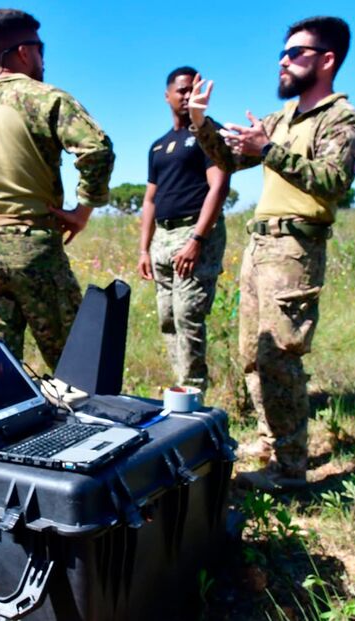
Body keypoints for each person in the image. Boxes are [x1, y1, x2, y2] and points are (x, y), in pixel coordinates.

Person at [188, 16, 355, 490]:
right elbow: (228, 160)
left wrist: (269, 150)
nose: (283, 62)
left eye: (295, 53)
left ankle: (290, 468)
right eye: (282, 54)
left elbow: (333, 180)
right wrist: (201, 123)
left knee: (280, 356)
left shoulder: (341, 119)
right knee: (253, 353)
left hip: (295, 247)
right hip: (261, 244)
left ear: (326, 60)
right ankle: (270, 442)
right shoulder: (282, 119)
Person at [0, 8, 115, 369]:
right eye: (40, 49)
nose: (43, 59)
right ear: (23, 52)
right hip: (34, 247)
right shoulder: (45, 98)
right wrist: (83, 212)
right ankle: (85, 427)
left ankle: (5, 424)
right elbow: (96, 149)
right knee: (78, 368)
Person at [137, 66, 230, 391]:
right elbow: (150, 199)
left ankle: (192, 392)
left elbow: (218, 187)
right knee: (166, 317)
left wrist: (197, 240)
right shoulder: (158, 146)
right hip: (162, 237)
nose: (188, 95)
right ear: (167, 95)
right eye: (182, 90)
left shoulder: (206, 135)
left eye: (194, 89)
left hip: (193, 234)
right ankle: (182, 383)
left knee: (187, 315)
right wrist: (144, 249)